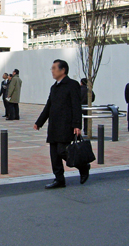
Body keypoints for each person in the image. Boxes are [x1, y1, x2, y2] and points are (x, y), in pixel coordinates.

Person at [34, 59, 89, 189]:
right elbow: (48, 106)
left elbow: (76, 106)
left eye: (54, 68)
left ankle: (83, 166)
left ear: (62, 70)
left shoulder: (72, 84)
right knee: (54, 155)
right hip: (53, 125)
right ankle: (59, 179)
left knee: (62, 151)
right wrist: (39, 122)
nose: (52, 71)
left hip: (66, 125)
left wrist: (77, 125)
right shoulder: (54, 87)